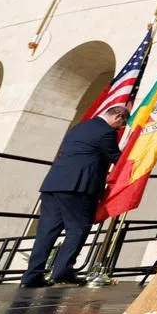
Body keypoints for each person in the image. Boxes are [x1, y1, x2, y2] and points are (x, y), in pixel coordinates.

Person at [21, 104, 129, 288]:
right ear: (117, 116)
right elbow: (116, 159)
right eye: (122, 123)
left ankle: (32, 276)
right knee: (78, 229)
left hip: (53, 184)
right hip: (79, 188)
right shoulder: (106, 132)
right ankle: (62, 272)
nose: (120, 128)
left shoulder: (79, 127)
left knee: (46, 232)